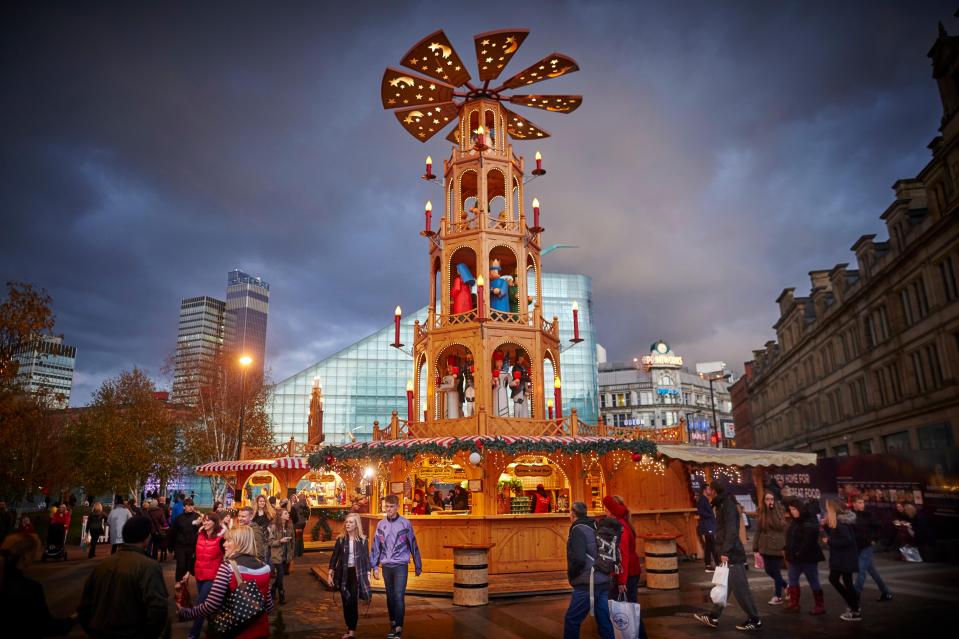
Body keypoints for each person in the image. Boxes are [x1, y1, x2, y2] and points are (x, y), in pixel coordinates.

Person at [77, 516, 169, 639]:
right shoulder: (149, 567)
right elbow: (158, 609)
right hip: (131, 632)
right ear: (146, 538)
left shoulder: (102, 565)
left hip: (99, 631)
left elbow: (84, 607)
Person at [177, 525, 274, 639]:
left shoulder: (228, 568)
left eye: (228, 540)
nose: (224, 544)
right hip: (261, 631)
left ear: (239, 542)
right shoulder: (265, 567)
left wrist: (186, 612)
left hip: (235, 632)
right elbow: (269, 607)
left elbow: (211, 605)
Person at [694, 480, 762, 631]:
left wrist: (725, 552)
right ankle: (713, 616)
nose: (708, 492)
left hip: (732, 554)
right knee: (724, 586)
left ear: (715, 491)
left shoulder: (727, 506)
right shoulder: (722, 504)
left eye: (710, 490)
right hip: (728, 552)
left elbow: (731, 530)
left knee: (741, 589)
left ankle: (755, 619)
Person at [0, 532, 75, 637]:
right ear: (25, 557)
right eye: (34, 553)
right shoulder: (29, 589)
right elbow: (47, 626)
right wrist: (74, 618)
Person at [370, 494, 422, 639]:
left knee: (399, 596)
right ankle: (393, 623)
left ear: (398, 507)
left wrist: (418, 564)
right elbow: (376, 546)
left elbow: (413, 543)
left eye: (391, 506)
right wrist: (374, 566)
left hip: (400, 565)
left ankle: (399, 627)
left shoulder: (405, 523)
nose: (389, 509)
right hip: (386, 566)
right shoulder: (381, 524)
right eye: (386, 506)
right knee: (390, 596)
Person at [563, 501, 614, 639]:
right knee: (604, 620)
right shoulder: (596, 525)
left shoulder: (577, 529)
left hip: (587, 583)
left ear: (573, 514)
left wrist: (573, 576)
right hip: (603, 580)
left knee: (572, 620)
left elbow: (579, 559)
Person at [329, 512, 372, 639]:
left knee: (353, 600)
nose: (348, 524)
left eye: (351, 522)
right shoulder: (341, 539)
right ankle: (349, 627)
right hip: (343, 573)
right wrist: (330, 573)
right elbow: (334, 557)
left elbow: (366, 559)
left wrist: (368, 574)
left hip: (356, 574)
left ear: (356, 524)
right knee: (346, 601)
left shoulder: (363, 540)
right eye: (346, 522)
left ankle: (352, 630)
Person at [782, 497, 825, 614]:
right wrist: (787, 549)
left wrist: (798, 552)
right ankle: (794, 603)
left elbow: (808, 541)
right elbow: (791, 536)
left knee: (813, 580)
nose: (792, 512)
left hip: (808, 557)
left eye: (794, 509)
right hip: (795, 557)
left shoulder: (809, 520)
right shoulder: (795, 521)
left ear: (800, 508)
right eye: (791, 509)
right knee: (792, 579)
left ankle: (820, 605)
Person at [822, 499, 861, 622]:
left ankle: (854, 608)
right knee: (844, 581)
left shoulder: (840, 522)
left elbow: (847, 540)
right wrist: (825, 526)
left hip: (844, 558)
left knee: (838, 580)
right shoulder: (838, 521)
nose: (826, 509)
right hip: (842, 558)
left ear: (832, 509)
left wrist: (830, 542)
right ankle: (854, 606)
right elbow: (836, 534)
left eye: (827, 507)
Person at [188, 512, 224, 639]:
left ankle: (193, 634)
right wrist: (188, 572)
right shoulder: (200, 534)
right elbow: (193, 554)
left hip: (213, 577)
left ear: (215, 522)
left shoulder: (221, 537)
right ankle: (215, 629)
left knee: (200, 605)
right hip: (199, 575)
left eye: (208, 520)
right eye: (204, 520)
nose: (205, 522)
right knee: (210, 606)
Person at [851, 496, 892, 601]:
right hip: (856, 547)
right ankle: (886, 592)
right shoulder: (850, 515)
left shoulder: (869, 515)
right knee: (872, 570)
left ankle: (855, 597)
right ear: (854, 504)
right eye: (859, 502)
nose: (862, 504)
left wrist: (874, 539)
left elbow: (879, 527)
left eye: (862, 502)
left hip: (866, 547)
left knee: (860, 571)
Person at [753, 491, 787, 604]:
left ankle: (777, 596)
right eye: (767, 499)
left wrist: (772, 511)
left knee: (776, 571)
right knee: (768, 570)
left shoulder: (779, 510)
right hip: (765, 545)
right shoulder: (761, 511)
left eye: (771, 499)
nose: (770, 501)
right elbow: (758, 530)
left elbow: (779, 526)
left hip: (776, 544)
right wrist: (755, 546)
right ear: (764, 500)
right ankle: (787, 586)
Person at [268, 508, 295, 604]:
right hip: (277, 555)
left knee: (281, 575)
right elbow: (270, 542)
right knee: (280, 574)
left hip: (286, 555)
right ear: (280, 515)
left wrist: (292, 553)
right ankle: (281, 594)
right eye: (286, 513)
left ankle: (273, 588)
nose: (288, 514)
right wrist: (280, 541)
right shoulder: (274, 527)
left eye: (288, 513)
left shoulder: (290, 526)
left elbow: (293, 541)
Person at [172, 498, 200, 582]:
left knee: (188, 566)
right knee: (181, 565)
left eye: (192, 505)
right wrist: (172, 546)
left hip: (191, 545)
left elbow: (200, 531)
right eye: (188, 505)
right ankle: (178, 584)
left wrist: (198, 524)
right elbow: (174, 532)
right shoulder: (179, 518)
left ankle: (184, 585)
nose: (191, 507)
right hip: (180, 545)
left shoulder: (197, 516)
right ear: (184, 507)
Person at [696, 488, 719, 572]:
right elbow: (701, 512)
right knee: (712, 545)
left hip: (708, 525)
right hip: (707, 525)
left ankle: (708, 565)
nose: (710, 490)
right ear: (704, 490)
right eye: (709, 489)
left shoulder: (705, 500)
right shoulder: (702, 500)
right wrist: (710, 515)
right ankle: (717, 563)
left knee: (709, 546)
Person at [253, 495, 274, 562]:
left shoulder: (269, 512)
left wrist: (269, 528)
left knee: (265, 556)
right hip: (256, 538)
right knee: (257, 556)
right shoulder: (254, 513)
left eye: (264, 501)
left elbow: (272, 524)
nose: (262, 503)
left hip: (266, 538)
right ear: (257, 502)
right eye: (260, 501)